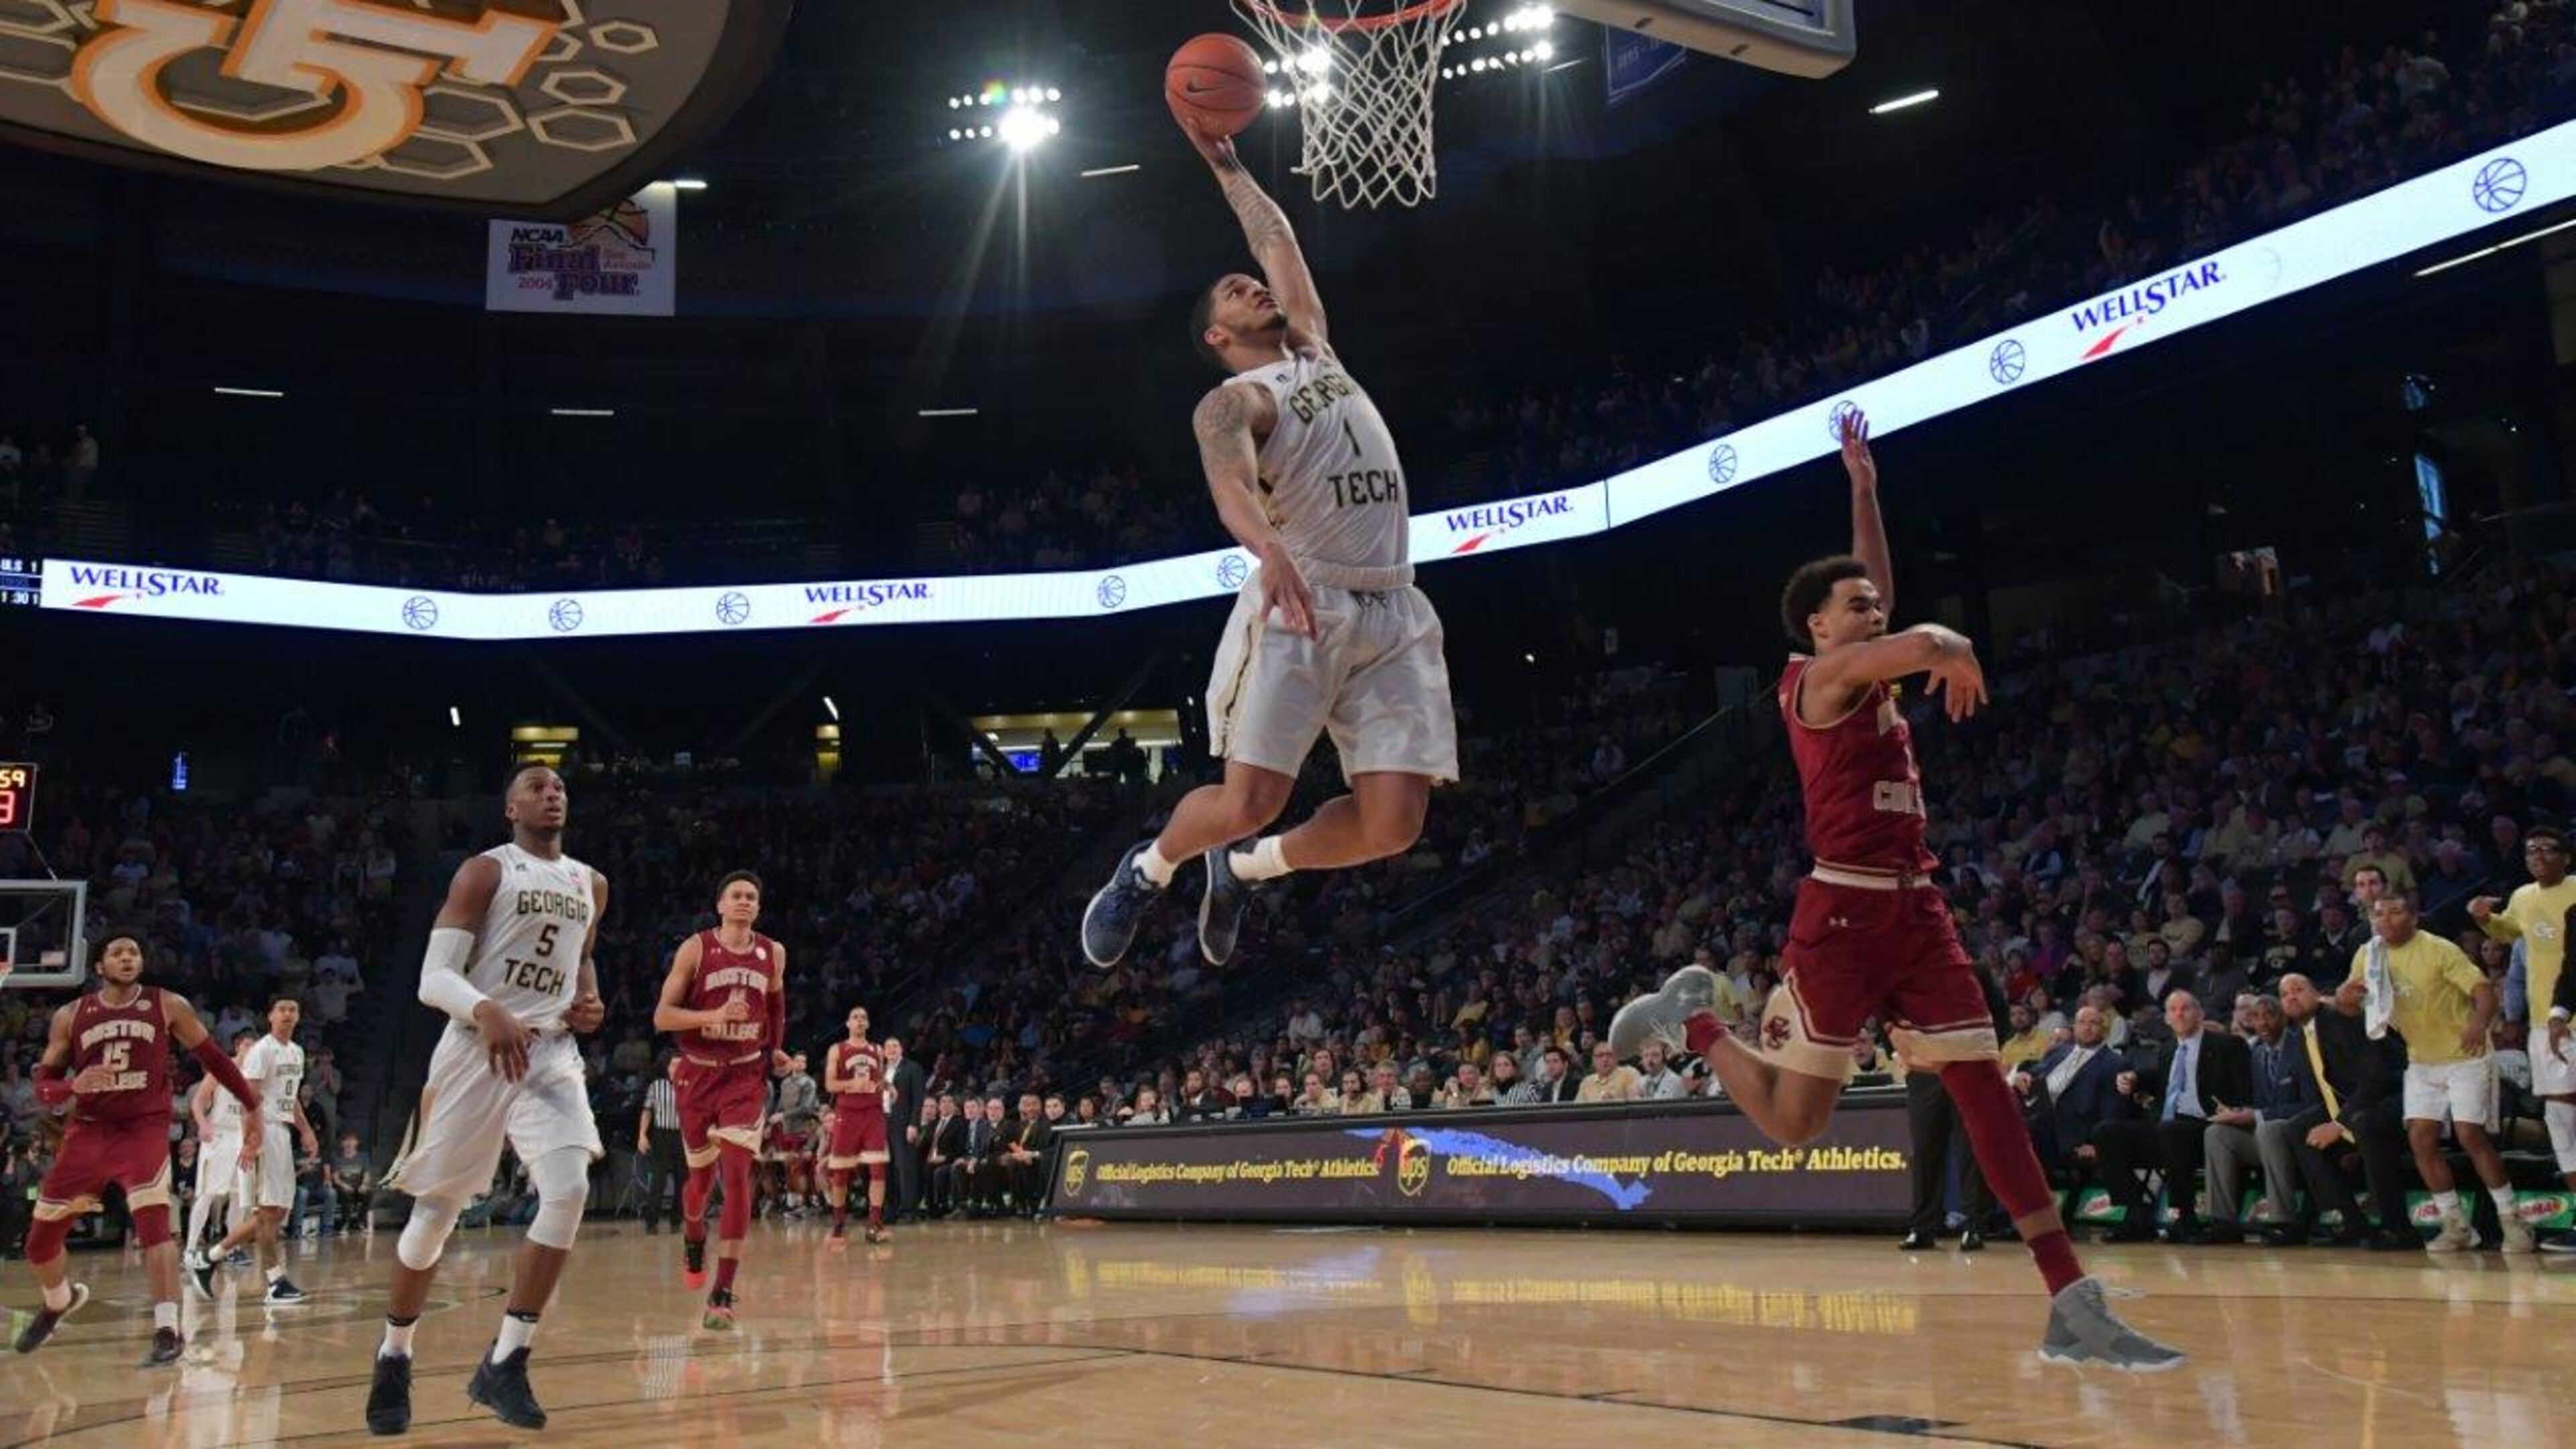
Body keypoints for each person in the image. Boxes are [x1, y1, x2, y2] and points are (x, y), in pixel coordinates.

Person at [1609, 412, 2180, 1370]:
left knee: (1983, 1084)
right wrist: (1949, 644)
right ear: (1817, 626)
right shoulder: (1819, 681)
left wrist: (1864, 488)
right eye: (1856, 606)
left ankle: (2070, 1298)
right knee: (1796, 1125)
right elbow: (1919, 637)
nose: (1872, 611)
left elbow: (1892, 606)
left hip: (1916, 908)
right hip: (1842, 915)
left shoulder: (1863, 656)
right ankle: (1698, 1021)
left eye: (1877, 605)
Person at [1079, 102, 1458, 975]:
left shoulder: (1317, 351)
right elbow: (1230, 485)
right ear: (1218, 337)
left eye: (1253, 284)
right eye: (1235, 292)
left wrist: (1226, 164)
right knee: (1250, 797)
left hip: (1395, 601)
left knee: (1395, 826)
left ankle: (1246, 870)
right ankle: (1148, 870)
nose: (1254, 287)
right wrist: (1266, 546)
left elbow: (1275, 238)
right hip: (1304, 596)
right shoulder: (1234, 402)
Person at [361, 763, 609, 1434]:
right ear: (510, 808)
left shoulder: (591, 882)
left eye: (559, 787)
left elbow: (582, 957)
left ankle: (507, 1360)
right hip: (478, 1050)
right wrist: (485, 1009)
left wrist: (588, 999)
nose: (552, 793)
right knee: (435, 1214)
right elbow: (433, 978)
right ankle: (394, 1355)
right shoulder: (485, 872)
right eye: (536, 786)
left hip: (549, 1050)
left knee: (569, 1189)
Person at [9, 934, 260, 1365]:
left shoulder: (168, 1004)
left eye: (134, 953)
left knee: (154, 1225)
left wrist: (251, 1104)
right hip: (89, 1132)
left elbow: (216, 1060)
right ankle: (58, 1301)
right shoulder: (71, 1015)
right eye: (117, 953)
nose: (127, 958)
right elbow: (44, 1088)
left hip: (142, 1130)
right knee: (39, 1243)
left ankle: (168, 1329)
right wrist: (73, 1085)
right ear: (99, 966)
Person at [2352, 895, 2531, 1252]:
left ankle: (2514, 1222)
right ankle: (2456, 1226)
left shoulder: (2439, 949)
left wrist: (2479, 1024)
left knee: (2470, 1135)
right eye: (2378, 913)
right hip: (2422, 1060)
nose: (2385, 919)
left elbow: (2484, 992)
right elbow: (2353, 1001)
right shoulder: (2369, 955)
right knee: (2421, 1138)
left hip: (2467, 1055)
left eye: (2395, 912)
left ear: (2414, 918)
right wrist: (2344, 998)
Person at [654, 871, 791, 1328]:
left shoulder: (772, 952)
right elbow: (663, 1017)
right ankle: (694, 1236)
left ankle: (723, 1292)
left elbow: (776, 1007)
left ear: (759, 906)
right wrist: (712, 1015)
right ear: (720, 905)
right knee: (699, 1184)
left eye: (752, 896)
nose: (745, 901)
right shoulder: (696, 949)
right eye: (737, 895)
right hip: (698, 1075)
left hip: (745, 1076)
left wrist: (776, 1049)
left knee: (736, 1176)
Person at [2469, 825, 2576, 1252]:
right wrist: (2483, 919)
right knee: (2561, 1119)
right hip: (2543, 1022)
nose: (2538, 857)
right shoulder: (2523, 896)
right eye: (2531, 851)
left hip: (2568, 1017)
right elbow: (2506, 932)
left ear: (2567, 857)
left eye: (2548, 850)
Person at [2090, 991, 2253, 1244]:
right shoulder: (2168, 1049)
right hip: (2168, 1128)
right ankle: (2137, 1214)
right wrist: (2136, 1078)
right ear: (2166, 1018)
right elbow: (2163, 1078)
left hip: (2209, 1125)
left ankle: (2185, 1218)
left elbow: (2244, 1088)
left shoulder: (2227, 1044)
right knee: (2106, 1132)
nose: (2179, 1014)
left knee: (2171, 1130)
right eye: (2173, 1010)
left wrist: (2236, 1111)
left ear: (2200, 1014)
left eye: (2186, 1008)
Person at [192, 998, 321, 1303]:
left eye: (293, 1010)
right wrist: (252, 1140)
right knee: (265, 1212)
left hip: (281, 1131)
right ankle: (275, 1283)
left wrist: (305, 1129)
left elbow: (290, 1097)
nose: (288, 1014)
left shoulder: (297, 1051)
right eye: (282, 1009)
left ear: (299, 1016)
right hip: (264, 1133)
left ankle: (209, 1258)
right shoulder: (262, 1051)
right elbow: (249, 1098)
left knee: (277, 1212)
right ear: (270, 1016)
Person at [2200, 995, 2318, 1244]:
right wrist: (2236, 1112)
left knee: (2268, 1128)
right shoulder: (2255, 1053)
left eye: (2269, 1015)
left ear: (2283, 1018)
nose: (2263, 1023)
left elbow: (2311, 1103)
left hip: (2300, 1134)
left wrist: (2257, 1116)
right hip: (2267, 1136)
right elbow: (2258, 1105)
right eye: (2256, 1017)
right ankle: (2223, 1222)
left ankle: (2283, 1221)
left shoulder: (2303, 1047)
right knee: (2216, 1133)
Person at [822, 1005, 894, 1244]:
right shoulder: (837, 1049)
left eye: (864, 1017)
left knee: (878, 1169)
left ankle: (874, 1224)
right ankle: (838, 1224)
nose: (860, 1021)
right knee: (840, 1172)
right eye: (855, 1017)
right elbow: (830, 1085)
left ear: (868, 1024)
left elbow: (879, 1079)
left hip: (873, 1113)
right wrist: (852, 1084)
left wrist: (889, 1087)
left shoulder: (877, 1049)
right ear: (848, 1023)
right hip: (847, 1114)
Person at [183, 1029, 256, 1258]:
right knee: (208, 1194)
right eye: (247, 1046)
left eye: (254, 1047)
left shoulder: (255, 1075)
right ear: (237, 1046)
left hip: (241, 1138)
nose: (251, 1050)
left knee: (239, 1197)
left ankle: (232, 1248)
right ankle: (191, 1249)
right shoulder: (221, 1069)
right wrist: (203, 1123)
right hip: (219, 1136)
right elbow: (198, 1101)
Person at [635, 1055, 684, 1233]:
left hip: (683, 1136)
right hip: (662, 1135)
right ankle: (651, 1222)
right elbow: (647, 1111)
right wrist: (642, 1135)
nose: (677, 1068)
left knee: (683, 1180)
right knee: (658, 1180)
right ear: (667, 1067)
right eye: (674, 1064)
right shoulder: (656, 1086)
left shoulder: (690, 1085)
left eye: (680, 1065)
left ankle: (676, 1221)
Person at [883, 1038, 926, 1221]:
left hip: (904, 1124)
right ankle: (891, 1209)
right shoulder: (881, 1070)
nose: (892, 1049)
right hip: (883, 1124)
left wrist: (913, 1124)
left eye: (895, 1046)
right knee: (887, 1167)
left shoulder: (913, 1068)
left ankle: (909, 1210)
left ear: (901, 1049)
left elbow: (918, 1099)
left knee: (905, 1167)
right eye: (888, 1047)